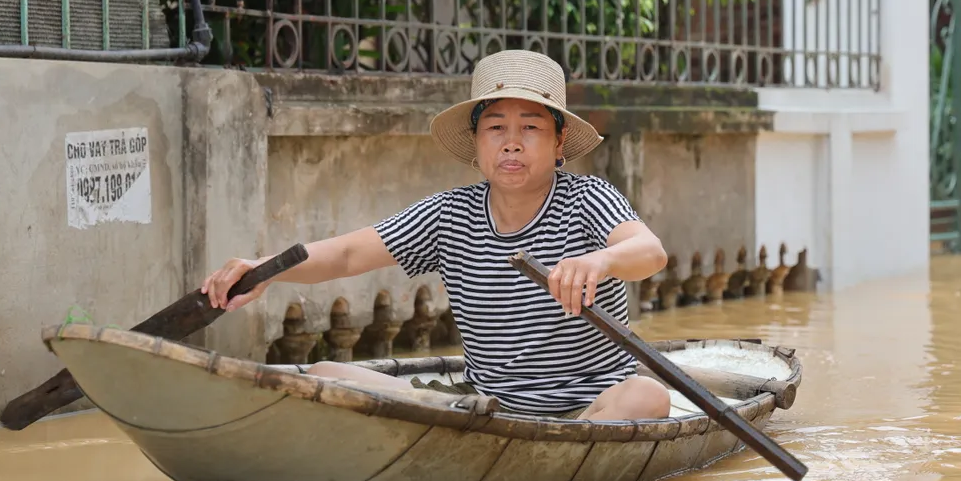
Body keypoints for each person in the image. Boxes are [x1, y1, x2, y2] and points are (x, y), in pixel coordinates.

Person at [200, 49, 672, 421]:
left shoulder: (588, 198)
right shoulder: (451, 215)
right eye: (496, 127)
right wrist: (264, 270)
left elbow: (650, 252)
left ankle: (563, 452)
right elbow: (346, 255)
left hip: (590, 407)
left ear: (559, 142)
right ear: (477, 143)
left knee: (648, 396)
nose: (512, 141)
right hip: (484, 406)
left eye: (530, 127)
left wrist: (599, 262)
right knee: (325, 374)